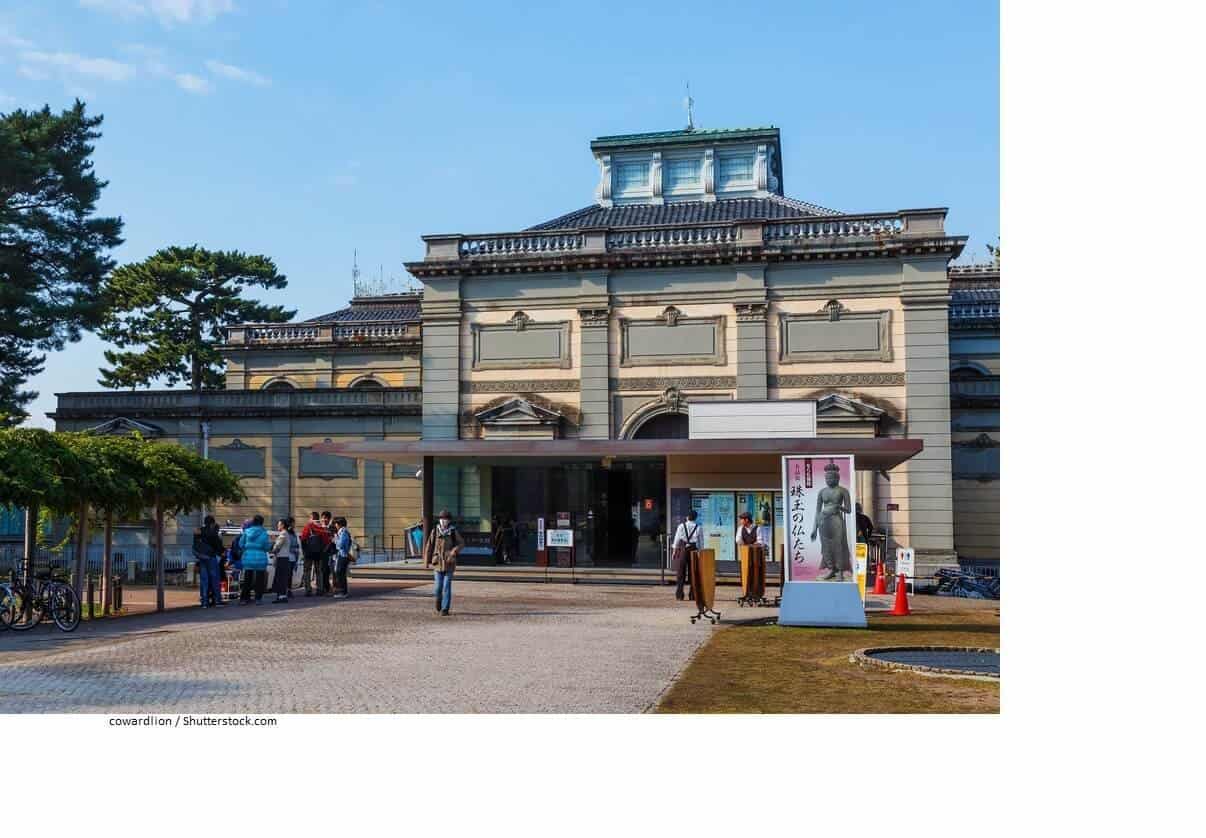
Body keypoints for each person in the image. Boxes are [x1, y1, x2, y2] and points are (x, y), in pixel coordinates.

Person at [811, 461, 853, 581]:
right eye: (826, 478)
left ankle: (839, 570)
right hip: (823, 521)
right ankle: (830, 569)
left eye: (831, 477)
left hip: (836, 520)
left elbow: (849, 510)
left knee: (838, 544)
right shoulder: (822, 492)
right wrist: (814, 528)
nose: (828, 480)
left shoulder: (843, 491)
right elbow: (817, 511)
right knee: (826, 546)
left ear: (837, 478)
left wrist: (839, 507)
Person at [423, 509, 463, 616]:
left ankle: (445, 609)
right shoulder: (435, 531)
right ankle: (438, 600)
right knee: (438, 587)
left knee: (446, 586)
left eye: (445, 519)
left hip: (449, 563)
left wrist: (454, 551)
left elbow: (461, 543)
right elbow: (429, 546)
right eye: (442, 519)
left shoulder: (453, 531)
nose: (443, 521)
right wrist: (426, 561)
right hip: (437, 563)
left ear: (449, 521)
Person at [237, 515, 271, 604]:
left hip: (248, 557)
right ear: (262, 523)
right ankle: (258, 599)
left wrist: (247, 548)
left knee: (247, 579)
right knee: (259, 580)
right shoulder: (264, 533)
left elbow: (240, 544)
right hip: (260, 558)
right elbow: (267, 547)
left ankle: (244, 599)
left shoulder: (246, 532)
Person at [193, 515, 225, 608]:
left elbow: (195, 545)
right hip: (211, 557)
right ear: (212, 523)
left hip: (202, 558)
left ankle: (204, 602)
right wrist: (221, 552)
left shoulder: (198, 531)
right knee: (215, 579)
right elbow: (218, 546)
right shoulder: (213, 532)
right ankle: (217, 600)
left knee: (204, 580)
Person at [672, 510, 702, 601]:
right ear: (696, 518)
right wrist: (700, 553)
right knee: (693, 572)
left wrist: (674, 551)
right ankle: (693, 595)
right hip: (694, 550)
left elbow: (677, 539)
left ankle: (679, 595)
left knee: (681, 573)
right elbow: (701, 542)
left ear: (687, 517)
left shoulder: (681, 526)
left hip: (683, 549)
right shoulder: (699, 527)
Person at [300, 511, 331, 596]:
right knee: (319, 572)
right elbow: (327, 541)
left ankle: (308, 590)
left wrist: (304, 551)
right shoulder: (322, 528)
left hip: (308, 553)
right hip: (319, 553)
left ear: (311, 518)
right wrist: (323, 550)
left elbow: (303, 539)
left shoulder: (308, 526)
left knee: (307, 571)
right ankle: (319, 589)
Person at [270, 518, 294, 603]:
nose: (277, 525)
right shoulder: (284, 534)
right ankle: (280, 596)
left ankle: (282, 597)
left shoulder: (283, 534)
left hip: (282, 558)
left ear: (283, 525)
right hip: (283, 558)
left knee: (281, 578)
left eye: (279, 524)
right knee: (281, 577)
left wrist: (272, 549)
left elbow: (277, 546)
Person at [331, 517, 352, 598]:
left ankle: (342, 592)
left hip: (343, 555)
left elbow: (341, 544)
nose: (335, 526)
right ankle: (343, 591)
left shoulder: (343, 532)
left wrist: (335, 539)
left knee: (340, 573)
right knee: (341, 573)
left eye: (336, 524)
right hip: (343, 554)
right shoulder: (343, 531)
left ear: (339, 524)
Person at [321, 510, 337, 595]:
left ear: (329, 519)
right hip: (323, 553)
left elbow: (334, 539)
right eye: (322, 518)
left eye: (325, 518)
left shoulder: (333, 528)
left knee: (333, 571)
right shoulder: (319, 527)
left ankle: (335, 588)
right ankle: (326, 588)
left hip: (332, 552)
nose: (324, 520)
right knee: (324, 571)